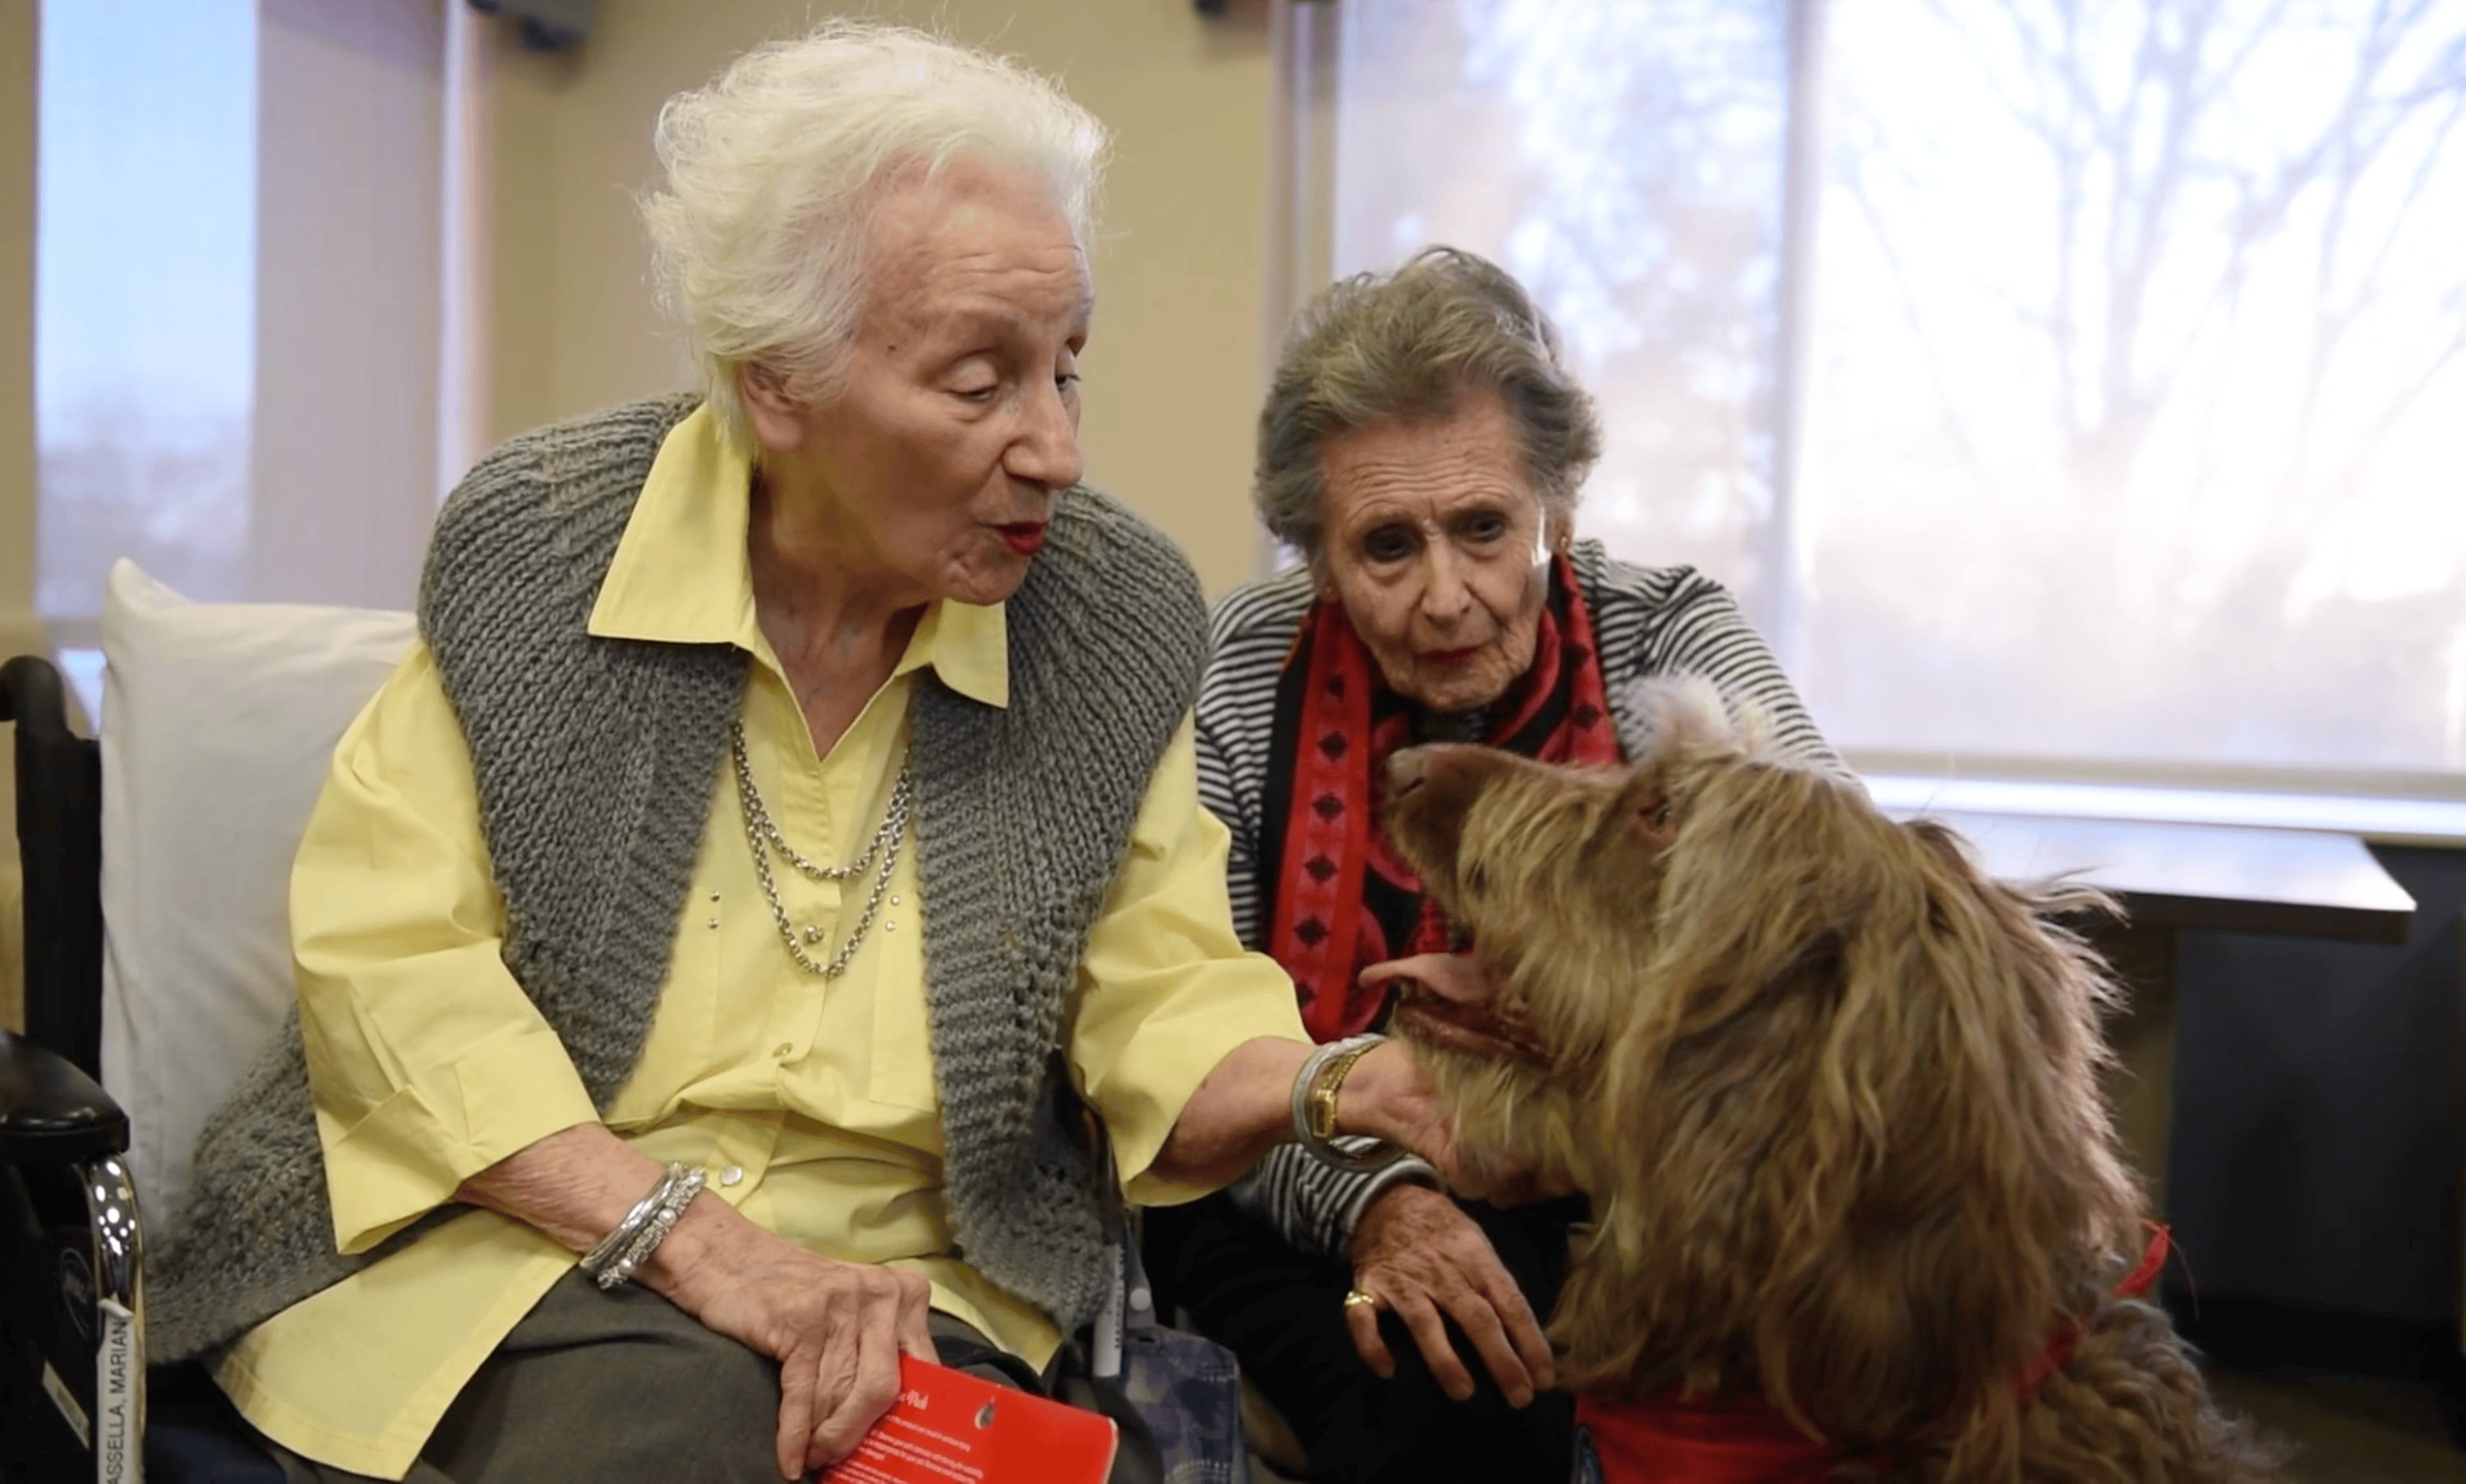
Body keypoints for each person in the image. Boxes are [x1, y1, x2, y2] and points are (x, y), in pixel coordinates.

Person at [143, 26, 1468, 1484]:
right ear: (776, 382)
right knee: (716, 1431)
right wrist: (697, 1244)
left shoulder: (1104, 617)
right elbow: (395, 975)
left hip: (899, 1311)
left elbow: (1157, 996)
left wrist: (1335, 1088)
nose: (1054, 449)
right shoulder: (544, 552)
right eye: (980, 384)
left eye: (1066, 370)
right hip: (505, 1260)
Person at [1155, 246, 1843, 1483]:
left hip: (1601, 1164)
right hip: (1295, 1171)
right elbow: (1190, 1024)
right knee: (1443, 1385)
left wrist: (1565, 1064)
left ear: (1557, 516)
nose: (1444, 597)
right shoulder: (1248, 663)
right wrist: (1384, 1201)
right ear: (1317, 559)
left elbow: (1822, 910)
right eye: (1384, 547)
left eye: (1483, 530)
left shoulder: (1662, 629)